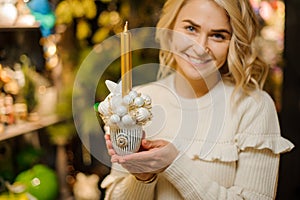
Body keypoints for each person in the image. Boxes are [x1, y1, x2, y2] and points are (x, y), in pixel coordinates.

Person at [100, 0, 294, 199]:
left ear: (234, 42)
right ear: (170, 27)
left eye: (218, 35)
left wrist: (174, 163)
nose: (200, 48)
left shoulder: (253, 107)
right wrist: (143, 177)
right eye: (191, 28)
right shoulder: (134, 102)